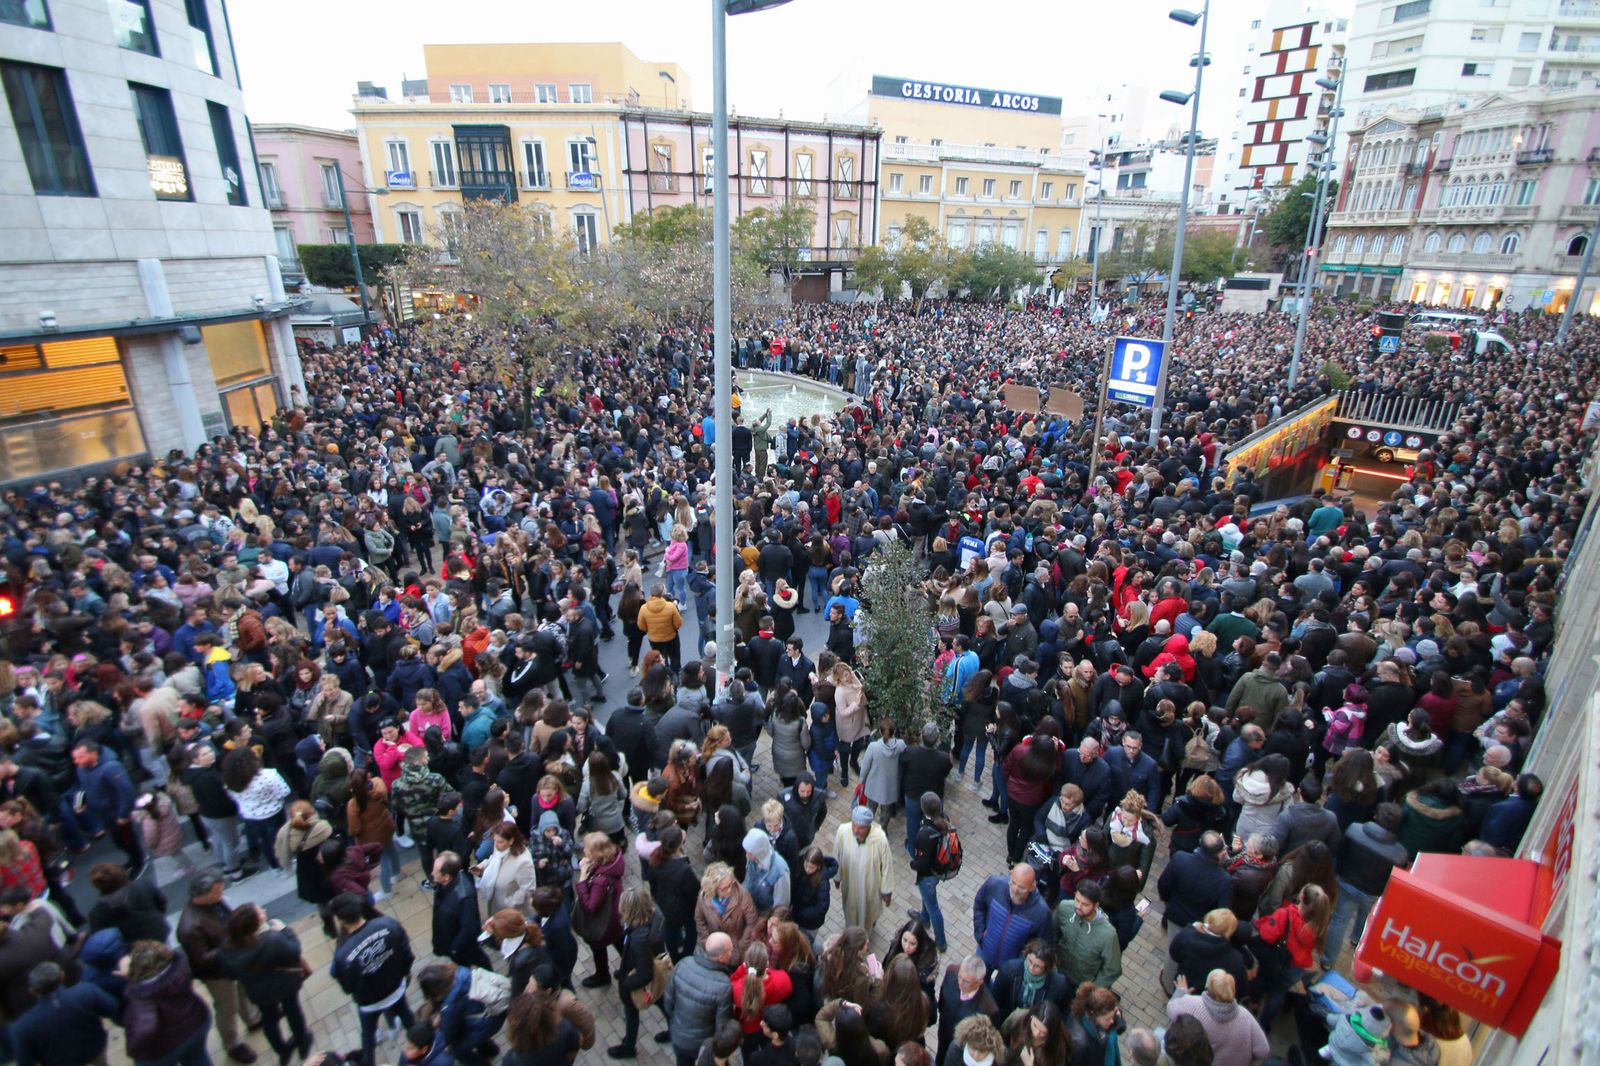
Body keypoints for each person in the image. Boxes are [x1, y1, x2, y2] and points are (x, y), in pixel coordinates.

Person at [176, 869, 263, 1066]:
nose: (221, 895)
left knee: (243, 992)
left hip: (232, 961)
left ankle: (252, 1019)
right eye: (216, 892)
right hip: (217, 974)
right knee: (227, 1007)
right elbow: (201, 959)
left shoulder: (214, 903)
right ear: (201, 895)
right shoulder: (190, 926)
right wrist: (231, 944)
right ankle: (232, 1044)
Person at [218, 903, 313, 1066]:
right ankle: (302, 1042)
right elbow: (294, 951)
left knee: (269, 1019)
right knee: (293, 1011)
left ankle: (282, 1050)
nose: (264, 911)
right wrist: (285, 930)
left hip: (258, 991)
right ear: (253, 924)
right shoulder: (271, 939)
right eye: (260, 913)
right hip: (284, 985)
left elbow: (230, 974)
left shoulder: (227, 948)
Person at [329, 892, 416, 1066]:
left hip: (369, 1003)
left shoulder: (342, 955)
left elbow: (347, 988)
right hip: (396, 989)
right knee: (407, 1016)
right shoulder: (388, 924)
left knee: (368, 1035)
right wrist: (404, 974)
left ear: (342, 921)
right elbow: (407, 955)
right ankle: (424, 1044)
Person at [1325, 802, 1408, 969]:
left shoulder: (1354, 830)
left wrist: (1337, 873)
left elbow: (1341, 853)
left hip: (1347, 883)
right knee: (1365, 918)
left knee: (1339, 920)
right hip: (1372, 892)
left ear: (1376, 816)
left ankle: (1328, 959)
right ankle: (1357, 939)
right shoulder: (1400, 853)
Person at [1157, 832, 1233, 991]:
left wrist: (1168, 902)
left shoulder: (1180, 858)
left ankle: (1168, 984)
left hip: (1176, 915)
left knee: (1172, 952)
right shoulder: (1224, 880)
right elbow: (1223, 911)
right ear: (1219, 853)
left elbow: (1163, 884)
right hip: (1200, 925)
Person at [9, 960, 119, 1066]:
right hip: (94, 1048)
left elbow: (25, 1062)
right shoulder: (86, 991)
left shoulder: (23, 1026)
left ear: (32, 991)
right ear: (62, 976)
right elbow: (112, 1007)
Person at [122, 940, 215, 1066]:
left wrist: (133, 1051)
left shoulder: (142, 996)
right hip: (197, 1021)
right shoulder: (181, 966)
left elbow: (144, 1030)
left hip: (165, 1047)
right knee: (198, 1058)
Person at [610, 885, 668, 1060]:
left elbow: (644, 974)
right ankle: (673, 1029)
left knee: (631, 1011)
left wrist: (626, 982)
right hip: (651, 969)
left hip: (639, 979)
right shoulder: (654, 916)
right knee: (661, 1000)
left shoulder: (638, 940)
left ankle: (629, 1046)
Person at [71, 740, 145, 875]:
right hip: (104, 814)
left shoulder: (111, 768)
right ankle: (133, 859)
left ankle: (139, 861)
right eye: (75, 758)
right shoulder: (81, 769)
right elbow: (82, 787)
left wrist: (123, 815)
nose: (76, 761)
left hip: (116, 813)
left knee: (127, 840)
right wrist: (80, 802)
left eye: (80, 757)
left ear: (93, 754)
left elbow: (126, 791)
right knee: (119, 841)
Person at [663, 930, 736, 1066]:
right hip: (703, 1045)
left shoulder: (683, 964)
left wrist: (676, 1023)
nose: (733, 953)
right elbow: (722, 1026)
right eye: (730, 951)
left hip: (678, 1037)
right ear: (721, 957)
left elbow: (668, 1003)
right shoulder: (724, 986)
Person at [416, 961, 509, 1066]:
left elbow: (450, 1034)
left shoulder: (450, 1005)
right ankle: (490, 1050)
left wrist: (445, 1041)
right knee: (469, 1030)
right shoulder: (461, 972)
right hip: (493, 1009)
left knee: (458, 1050)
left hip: (488, 1022)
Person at [1165, 971, 1267, 1066]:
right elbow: (1263, 1050)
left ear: (1208, 988)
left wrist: (1181, 991)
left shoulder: (1192, 1004)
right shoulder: (1245, 1016)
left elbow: (1171, 1009)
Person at [972, 863, 1053, 974]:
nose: (1015, 890)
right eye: (1013, 883)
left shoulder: (1042, 912)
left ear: (1033, 887)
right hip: (984, 952)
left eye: (1022, 888)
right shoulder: (994, 884)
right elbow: (979, 904)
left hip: (1011, 966)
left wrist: (1021, 960)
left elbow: (1043, 944)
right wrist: (980, 933)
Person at [833, 805, 894, 938]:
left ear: (868, 827)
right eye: (854, 826)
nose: (856, 830)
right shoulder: (843, 831)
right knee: (850, 910)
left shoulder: (880, 839)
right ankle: (851, 935)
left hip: (870, 886)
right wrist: (837, 877)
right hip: (850, 882)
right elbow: (837, 855)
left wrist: (886, 890)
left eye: (861, 828)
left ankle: (866, 932)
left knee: (869, 912)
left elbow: (887, 866)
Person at [573, 832, 626, 987]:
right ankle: (629, 967)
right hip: (616, 915)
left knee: (599, 948)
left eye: (586, 848)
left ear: (596, 853)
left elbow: (590, 907)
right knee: (620, 942)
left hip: (605, 921)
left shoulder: (600, 881)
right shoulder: (613, 860)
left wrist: (582, 880)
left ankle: (603, 976)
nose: (583, 850)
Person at [1054, 880, 1121, 990]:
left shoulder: (1108, 934)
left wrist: (1091, 990)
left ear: (1096, 905)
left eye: (1085, 904)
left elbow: (1112, 970)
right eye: (1077, 900)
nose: (1078, 906)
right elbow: (1052, 933)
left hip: (1081, 986)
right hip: (1058, 974)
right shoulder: (1065, 908)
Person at [431, 852, 491, 969]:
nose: (432, 873)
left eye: (435, 871)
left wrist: (454, 948)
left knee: (477, 959)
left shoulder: (464, 897)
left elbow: (468, 927)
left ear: (446, 876)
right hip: (449, 936)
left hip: (462, 945)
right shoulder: (444, 884)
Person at [910, 791, 953, 951]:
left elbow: (922, 863)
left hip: (928, 875)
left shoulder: (924, 834)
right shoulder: (944, 821)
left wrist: (913, 864)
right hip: (936, 870)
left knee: (933, 907)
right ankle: (924, 917)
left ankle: (941, 941)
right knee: (927, 898)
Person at [990, 938, 1069, 1020]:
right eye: (1030, 961)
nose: (1031, 968)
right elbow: (995, 998)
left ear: (1047, 967)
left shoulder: (1059, 984)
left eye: (1037, 966)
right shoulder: (1009, 970)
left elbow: (1062, 1013)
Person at [473, 823, 537, 918]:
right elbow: (494, 858)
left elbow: (527, 889)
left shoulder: (523, 862)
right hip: (494, 903)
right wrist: (483, 866)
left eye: (500, 842)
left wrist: (508, 903)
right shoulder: (500, 847)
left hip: (511, 913)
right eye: (494, 841)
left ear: (511, 841)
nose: (496, 845)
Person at [1066, 982, 1122, 1066]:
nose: (1112, 1021)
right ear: (1093, 1014)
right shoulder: (1080, 1045)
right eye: (1107, 1019)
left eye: (1113, 1016)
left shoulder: (1085, 1011)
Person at [743, 827, 791, 915]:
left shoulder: (780, 871)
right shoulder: (752, 858)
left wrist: (766, 919)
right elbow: (748, 880)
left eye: (750, 853)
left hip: (764, 915)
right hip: (749, 908)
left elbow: (781, 905)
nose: (747, 856)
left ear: (759, 852)